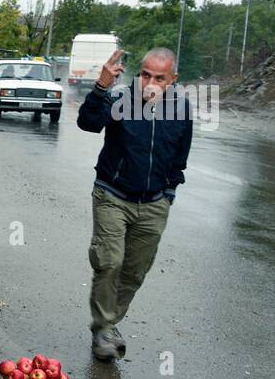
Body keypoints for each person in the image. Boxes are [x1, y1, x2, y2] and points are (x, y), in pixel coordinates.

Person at [78, 47, 192, 361]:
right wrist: (101, 87)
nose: (150, 82)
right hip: (112, 195)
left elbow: (178, 161)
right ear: (138, 73)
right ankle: (103, 329)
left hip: (154, 204)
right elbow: (87, 123)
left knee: (134, 272)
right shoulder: (120, 101)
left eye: (159, 77)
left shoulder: (180, 110)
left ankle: (109, 322)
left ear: (173, 79)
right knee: (109, 261)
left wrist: (167, 196)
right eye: (145, 74)